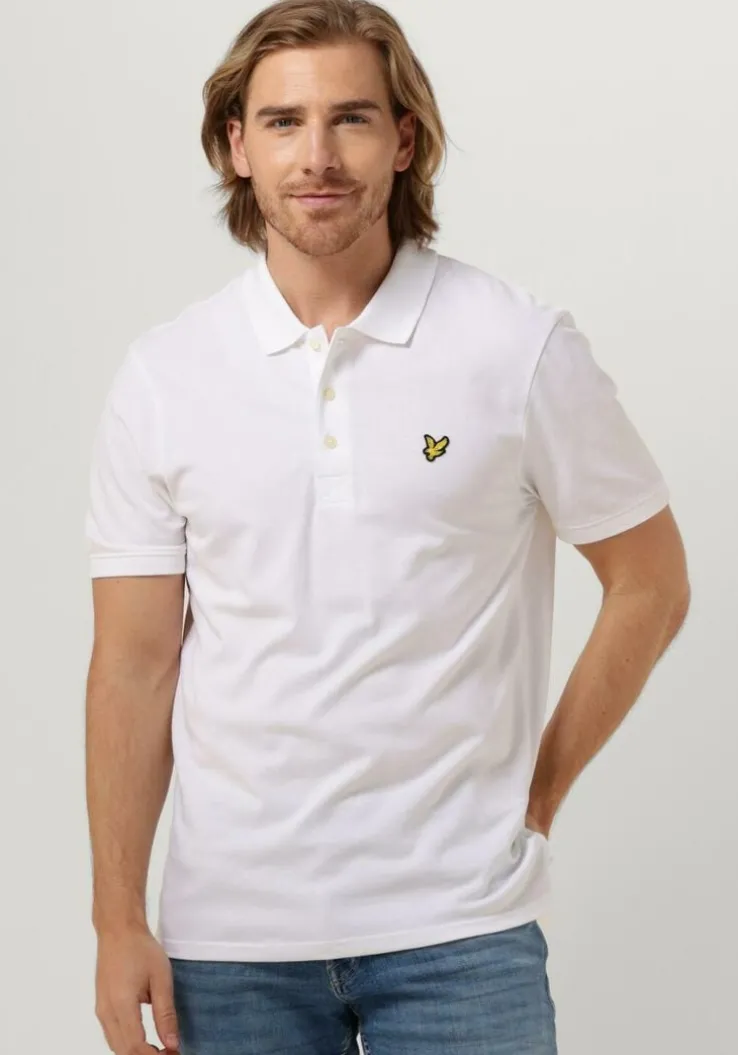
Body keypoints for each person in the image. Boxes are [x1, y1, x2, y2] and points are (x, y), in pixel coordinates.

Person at [84, 1, 691, 1052]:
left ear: (404, 140)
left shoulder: (517, 346)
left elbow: (651, 580)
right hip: (231, 942)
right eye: (283, 122)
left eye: (351, 118)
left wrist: (538, 795)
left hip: (462, 933)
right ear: (236, 146)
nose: (317, 155)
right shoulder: (165, 377)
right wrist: (115, 917)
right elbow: (134, 666)